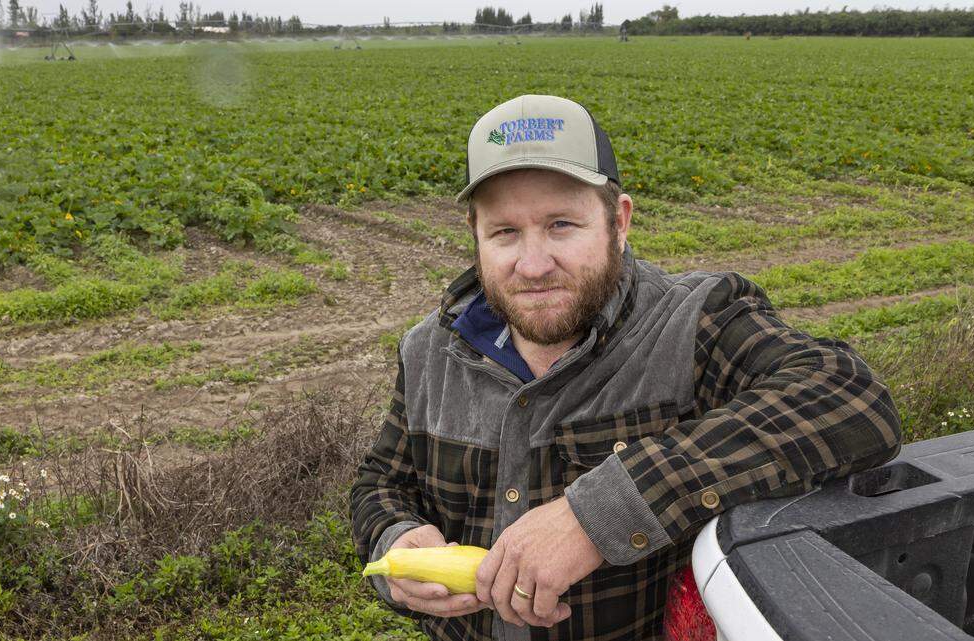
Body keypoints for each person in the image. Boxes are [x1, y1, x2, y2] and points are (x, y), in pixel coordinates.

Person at [349, 94, 902, 641]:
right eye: (505, 232)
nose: (534, 264)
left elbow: (846, 396)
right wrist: (393, 538)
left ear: (619, 220)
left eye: (562, 224)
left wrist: (597, 515)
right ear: (475, 235)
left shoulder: (690, 323)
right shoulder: (429, 352)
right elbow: (384, 480)